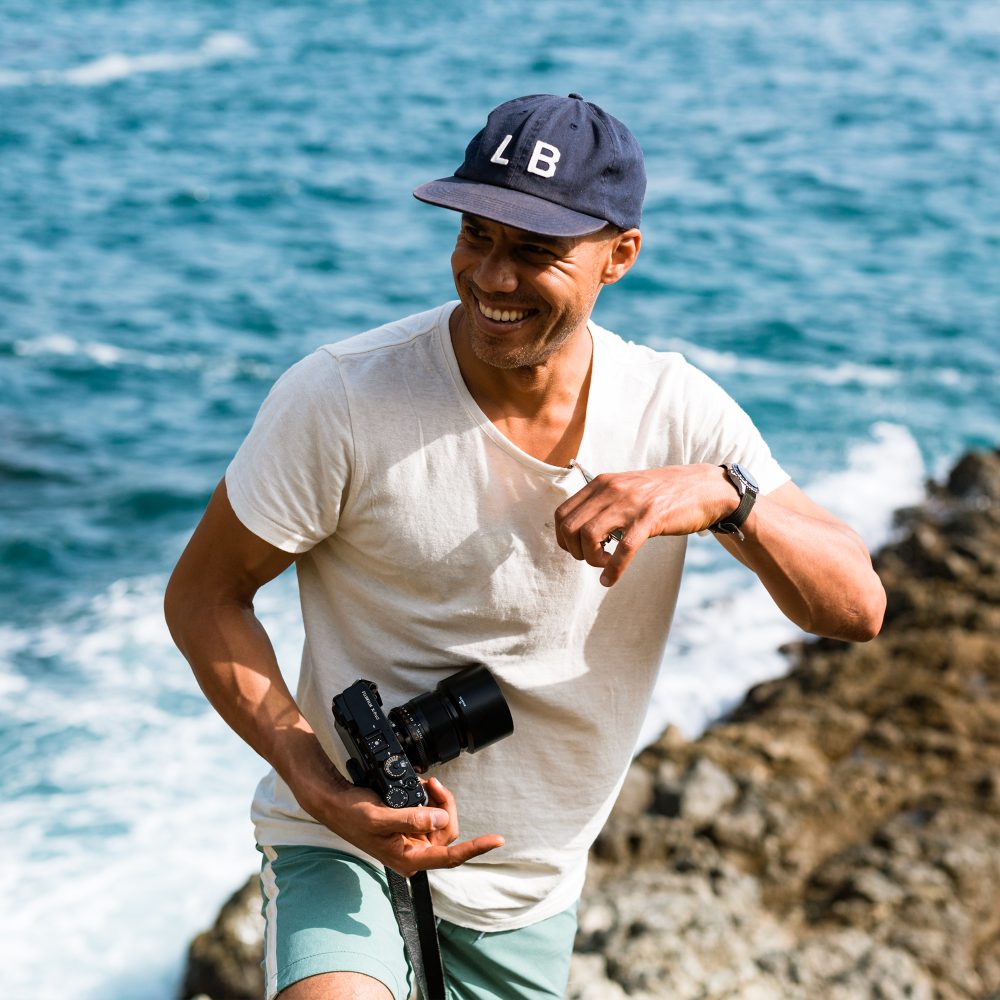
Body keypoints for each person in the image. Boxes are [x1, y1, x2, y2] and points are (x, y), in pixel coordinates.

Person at [164, 93, 885, 1000]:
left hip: (529, 896)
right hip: (344, 843)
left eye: (537, 250)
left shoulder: (676, 413)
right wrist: (315, 784)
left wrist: (723, 496)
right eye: (476, 234)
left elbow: (856, 607)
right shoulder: (341, 396)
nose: (492, 277)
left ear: (620, 255)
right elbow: (204, 596)